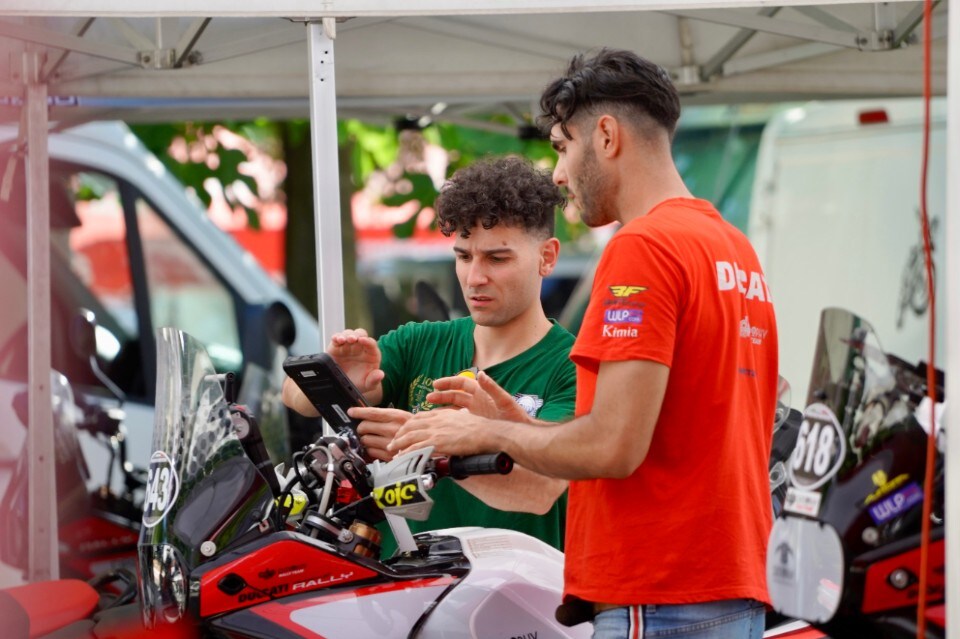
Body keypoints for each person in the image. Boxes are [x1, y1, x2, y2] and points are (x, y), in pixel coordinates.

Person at [392, 48, 779, 639]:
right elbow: (670, 432)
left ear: (605, 136)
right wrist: (521, 429)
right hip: (726, 581)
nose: (558, 174)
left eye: (561, 146)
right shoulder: (732, 245)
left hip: (660, 587)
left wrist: (485, 434)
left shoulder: (644, 246)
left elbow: (613, 446)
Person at [283, 155, 576, 553]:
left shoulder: (575, 367)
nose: (475, 277)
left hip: (516, 587)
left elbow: (538, 491)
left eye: (497, 258)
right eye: (463, 256)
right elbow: (294, 396)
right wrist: (337, 380)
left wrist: (424, 448)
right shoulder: (419, 341)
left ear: (547, 256)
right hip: (402, 585)